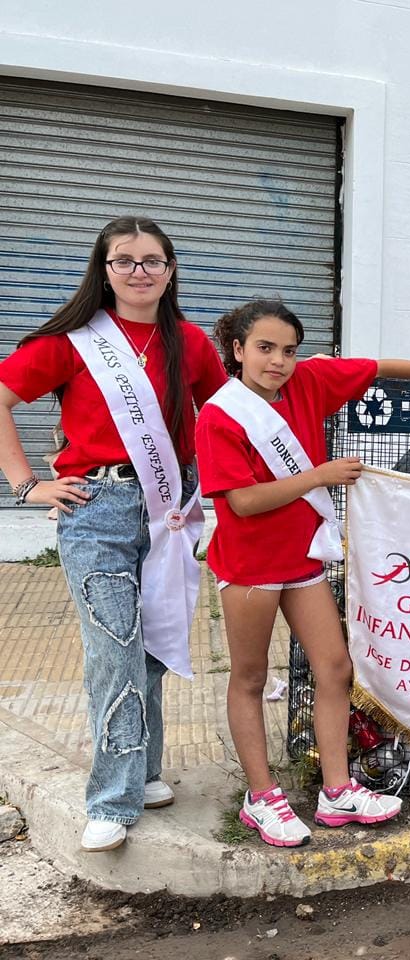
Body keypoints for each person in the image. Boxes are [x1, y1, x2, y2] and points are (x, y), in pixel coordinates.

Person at [195, 299, 410, 847]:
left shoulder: (309, 382)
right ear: (237, 350)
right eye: (264, 348)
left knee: (335, 667)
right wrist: (320, 475)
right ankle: (261, 796)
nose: (278, 361)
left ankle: (336, 790)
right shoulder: (219, 416)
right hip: (250, 567)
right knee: (250, 677)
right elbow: (242, 501)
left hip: (303, 559)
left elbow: (379, 367)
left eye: (289, 350)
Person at [0, 216, 227, 852]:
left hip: (168, 507)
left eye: (152, 261)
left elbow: (223, 414)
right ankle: (112, 798)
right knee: (113, 646)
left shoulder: (190, 342)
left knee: (153, 642)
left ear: (170, 271)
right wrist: (26, 485)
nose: (138, 272)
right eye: (123, 261)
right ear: (104, 272)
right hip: (96, 507)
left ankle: (144, 771)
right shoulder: (72, 342)